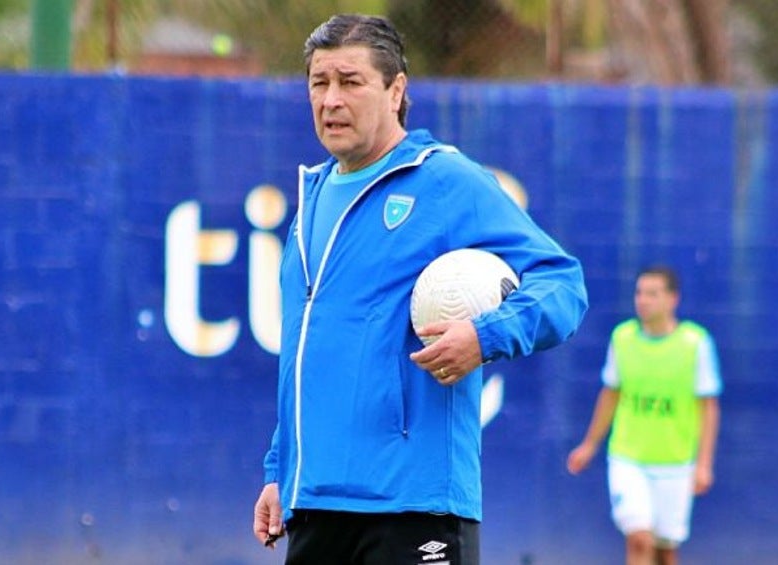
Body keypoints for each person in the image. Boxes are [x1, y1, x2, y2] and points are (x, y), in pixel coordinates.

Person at [251, 13, 588, 565]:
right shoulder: (311, 201)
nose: (331, 99)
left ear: (396, 90)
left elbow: (562, 283)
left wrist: (485, 336)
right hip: (315, 506)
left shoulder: (445, 181)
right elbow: (309, 358)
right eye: (319, 83)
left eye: (351, 81)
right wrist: (279, 471)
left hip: (415, 508)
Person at [566, 265, 721, 565]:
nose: (643, 300)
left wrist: (704, 464)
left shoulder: (695, 343)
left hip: (676, 462)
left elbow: (709, 408)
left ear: (672, 299)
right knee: (639, 539)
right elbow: (611, 394)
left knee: (665, 550)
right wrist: (589, 445)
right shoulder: (622, 338)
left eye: (652, 293)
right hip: (628, 459)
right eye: (639, 292)